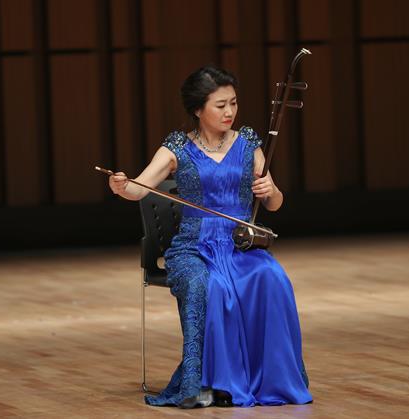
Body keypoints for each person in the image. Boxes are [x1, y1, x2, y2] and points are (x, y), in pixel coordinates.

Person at [108, 65, 312, 408]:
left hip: (240, 245)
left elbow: (275, 204)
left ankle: (270, 379)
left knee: (272, 278)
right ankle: (212, 384)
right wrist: (121, 185)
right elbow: (138, 188)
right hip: (194, 248)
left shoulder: (248, 143)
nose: (230, 111)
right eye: (220, 105)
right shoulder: (177, 147)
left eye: (233, 102)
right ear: (198, 109)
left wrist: (271, 190)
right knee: (211, 286)